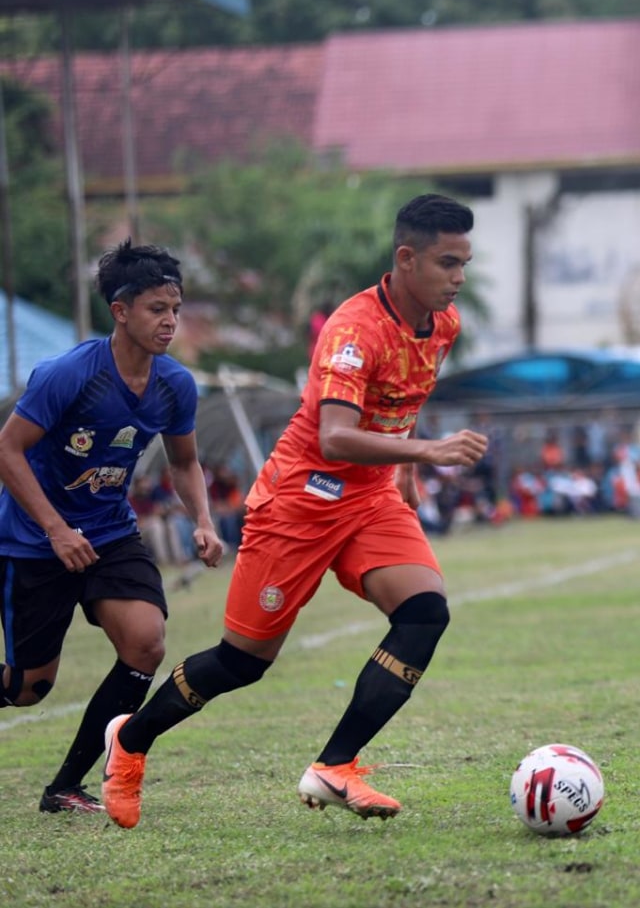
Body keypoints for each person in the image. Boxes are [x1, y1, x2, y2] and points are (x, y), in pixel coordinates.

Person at [100, 193, 489, 829]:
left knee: (425, 613)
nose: (459, 278)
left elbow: (406, 396)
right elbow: (334, 436)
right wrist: (429, 450)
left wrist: (407, 477)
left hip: (368, 499)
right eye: (448, 263)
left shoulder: (443, 326)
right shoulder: (352, 329)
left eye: (465, 263)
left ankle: (334, 765)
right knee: (241, 663)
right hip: (300, 503)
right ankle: (130, 742)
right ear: (406, 258)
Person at [0, 239, 223, 814]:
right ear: (120, 311)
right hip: (35, 540)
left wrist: (203, 519)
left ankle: (65, 787)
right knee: (30, 688)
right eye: (156, 309)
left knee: (145, 643)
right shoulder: (69, 374)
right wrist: (54, 529)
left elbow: (183, 461)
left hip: (110, 533)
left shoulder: (176, 385)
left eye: (175, 308)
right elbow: (8, 450)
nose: (170, 321)